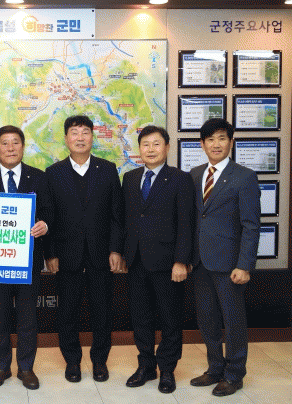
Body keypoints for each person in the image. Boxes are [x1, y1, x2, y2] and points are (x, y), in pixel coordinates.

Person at [38, 115, 124, 383]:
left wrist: (116, 250)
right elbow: (48, 217)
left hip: (101, 253)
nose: (80, 137)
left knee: (102, 311)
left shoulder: (107, 169)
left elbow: (117, 215)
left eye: (85, 132)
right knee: (67, 311)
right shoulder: (53, 173)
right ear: (66, 139)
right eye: (74, 132)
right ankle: (72, 361)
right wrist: (50, 253)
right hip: (66, 255)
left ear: (92, 137)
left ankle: (99, 361)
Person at [0, 125, 48, 390]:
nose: (11, 148)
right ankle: (1, 367)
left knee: (28, 318)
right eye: (5, 143)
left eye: (16, 142)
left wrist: (45, 225)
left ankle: (26, 368)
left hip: (28, 261)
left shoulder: (39, 177)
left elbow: (50, 211)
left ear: (23, 147)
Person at [189, 118, 260, 397]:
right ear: (202, 144)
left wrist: (245, 265)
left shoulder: (244, 176)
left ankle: (234, 374)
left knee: (233, 321)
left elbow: (251, 225)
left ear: (231, 142)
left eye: (221, 138)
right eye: (210, 139)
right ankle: (215, 368)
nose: (215, 144)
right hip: (200, 262)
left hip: (230, 264)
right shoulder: (195, 174)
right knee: (207, 319)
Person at [122, 126, 195, 394]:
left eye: (156, 144)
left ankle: (167, 369)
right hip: (136, 260)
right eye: (145, 144)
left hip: (168, 263)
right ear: (139, 149)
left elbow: (186, 222)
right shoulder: (130, 178)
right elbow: (126, 218)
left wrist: (181, 260)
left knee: (170, 318)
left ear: (167, 147)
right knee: (140, 318)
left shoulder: (180, 179)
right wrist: (122, 253)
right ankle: (146, 365)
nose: (150, 149)